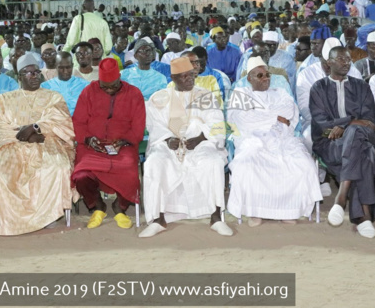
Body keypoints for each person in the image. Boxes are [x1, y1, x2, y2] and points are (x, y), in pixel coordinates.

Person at [0, 54, 75, 236]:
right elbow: (0, 129)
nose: (34, 76)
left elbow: (62, 122)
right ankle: (5, 218)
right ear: (19, 77)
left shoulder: (53, 97)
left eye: (37, 72)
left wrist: (37, 129)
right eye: (29, 73)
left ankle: (48, 215)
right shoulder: (5, 99)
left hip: (47, 143)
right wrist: (25, 137)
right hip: (13, 145)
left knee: (56, 167)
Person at [139, 56, 232, 238]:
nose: (190, 79)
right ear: (173, 78)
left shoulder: (205, 96)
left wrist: (200, 138)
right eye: (184, 76)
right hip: (169, 146)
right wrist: (168, 139)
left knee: (213, 162)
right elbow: (154, 125)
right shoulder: (160, 98)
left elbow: (217, 124)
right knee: (154, 163)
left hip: (201, 144)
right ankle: (158, 220)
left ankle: (216, 217)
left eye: (192, 75)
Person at [226, 57, 321, 226]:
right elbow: (243, 120)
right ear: (249, 78)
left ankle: (288, 210)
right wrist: (275, 117)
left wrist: (261, 115)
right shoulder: (241, 94)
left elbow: (289, 112)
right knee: (246, 166)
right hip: (253, 140)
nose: (265, 78)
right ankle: (255, 211)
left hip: (282, 139)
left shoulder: (280, 92)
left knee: (304, 165)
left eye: (267, 75)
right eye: (260, 75)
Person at [308, 46, 375, 239]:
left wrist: (345, 126)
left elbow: (370, 121)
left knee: (355, 134)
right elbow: (322, 126)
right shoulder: (318, 88)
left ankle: (341, 198)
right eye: (341, 59)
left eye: (348, 59)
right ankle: (364, 216)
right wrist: (350, 122)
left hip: (360, 138)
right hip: (330, 143)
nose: (346, 63)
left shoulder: (361, 86)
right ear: (328, 63)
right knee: (364, 153)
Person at [71, 58, 145, 230]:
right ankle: (98, 205)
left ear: (119, 79)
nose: (109, 90)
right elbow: (78, 122)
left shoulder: (134, 94)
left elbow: (138, 127)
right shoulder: (89, 91)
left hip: (123, 146)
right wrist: (88, 139)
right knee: (80, 175)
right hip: (92, 146)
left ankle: (120, 207)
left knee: (130, 173)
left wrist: (124, 141)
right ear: (99, 82)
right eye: (105, 87)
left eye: (113, 86)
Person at [41, 52, 90, 116]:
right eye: (61, 68)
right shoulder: (45, 87)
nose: (65, 71)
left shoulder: (85, 86)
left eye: (68, 67)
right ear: (55, 66)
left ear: (72, 66)